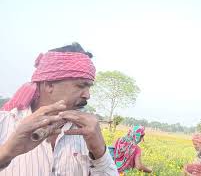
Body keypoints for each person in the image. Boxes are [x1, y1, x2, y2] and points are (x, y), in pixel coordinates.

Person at [0, 43, 118, 175]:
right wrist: (6, 152)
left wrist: (99, 151)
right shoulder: (5, 124)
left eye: (89, 87)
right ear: (49, 85)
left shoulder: (87, 132)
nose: (87, 95)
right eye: (80, 86)